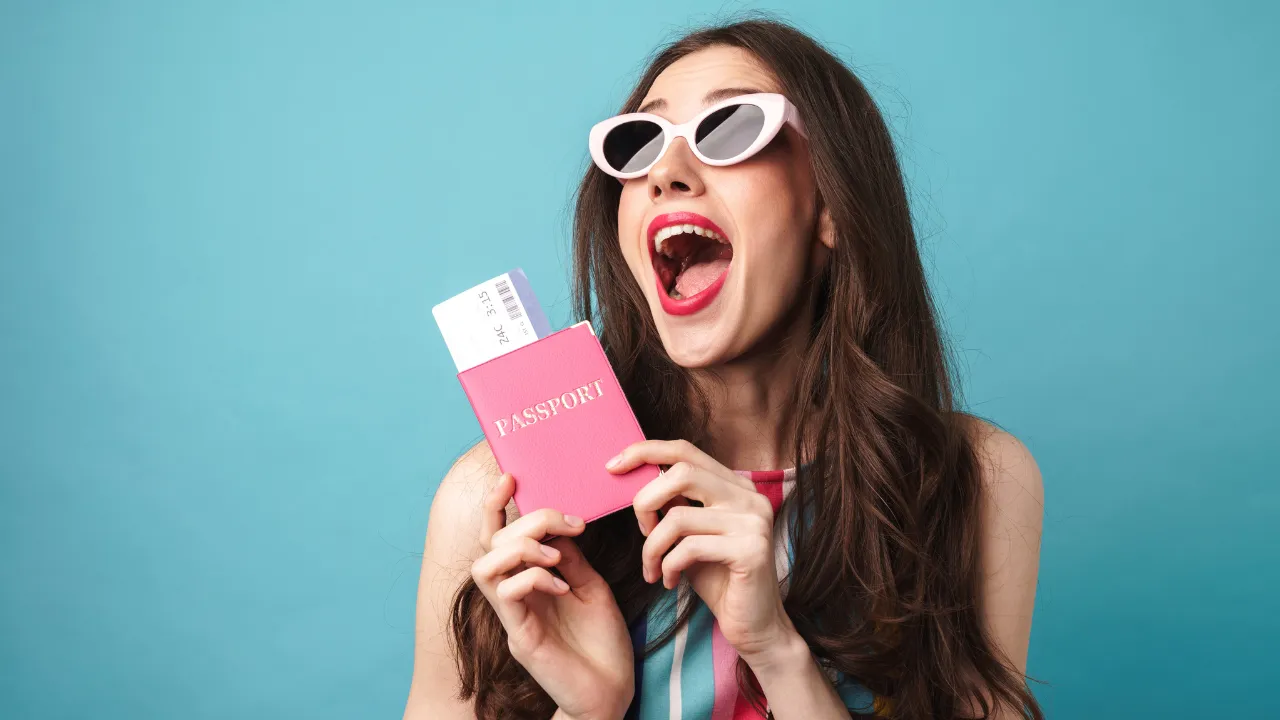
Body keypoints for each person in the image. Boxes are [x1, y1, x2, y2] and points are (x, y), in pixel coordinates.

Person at [404, 16, 1044, 720]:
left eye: (733, 129)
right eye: (639, 143)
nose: (666, 172)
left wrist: (776, 650)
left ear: (832, 206)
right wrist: (591, 710)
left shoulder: (970, 480)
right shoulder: (500, 504)